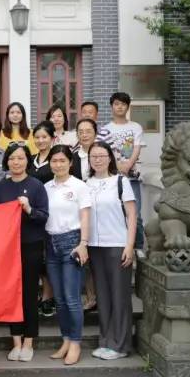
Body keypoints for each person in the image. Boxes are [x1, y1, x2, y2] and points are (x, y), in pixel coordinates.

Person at [0, 143, 48, 363]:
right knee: (11, 294)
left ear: (27, 161)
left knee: (28, 293)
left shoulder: (36, 185)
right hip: (8, 248)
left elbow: (44, 216)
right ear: (6, 161)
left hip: (31, 245)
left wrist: (29, 209)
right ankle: (15, 341)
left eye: (20, 158)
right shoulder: (2, 186)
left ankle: (28, 341)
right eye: (12, 158)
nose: (16, 162)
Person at [87, 142, 137, 360]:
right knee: (103, 296)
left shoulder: (120, 182)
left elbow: (132, 215)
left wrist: (130, 245)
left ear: (110, 158)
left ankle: (120, 345)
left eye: (101, 155)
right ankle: (106, 341)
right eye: (93, 156)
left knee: (119, 296)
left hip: (117, 244)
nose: (97, 160)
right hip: (94, 246)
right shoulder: (86, 184)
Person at [44, 145, 91, 366]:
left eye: (62, 160)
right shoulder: (46, 187)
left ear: (70, 163)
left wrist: (83, 243)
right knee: (60, 299)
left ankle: (75, 342)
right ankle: (65, 339)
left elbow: (85, 216)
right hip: (51, 244)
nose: (58, 164)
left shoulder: (79, 186)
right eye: (54, 161)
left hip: (72, 243)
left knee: (72, 299)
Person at [103, 92, 145, 251]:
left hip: (132, 178)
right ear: (111, 106)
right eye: (116, 104)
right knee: (117, 214)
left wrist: (128, 165)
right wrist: (118, 166)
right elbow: (106, 151)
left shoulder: (135, 127)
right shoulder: (106, 129)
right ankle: (121, 246)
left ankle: (138, 248)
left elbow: (137, 148)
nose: (119, 107)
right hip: (113, 178)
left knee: (136, 214)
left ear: (127, 107)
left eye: (123, 104)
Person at [71, 118, 100, 313]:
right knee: (86, 256)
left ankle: (103, 296)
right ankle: (90, 297)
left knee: (100, 255)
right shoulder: (73, 157)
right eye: (80, 131)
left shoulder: (102, 153)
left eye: (88, 131)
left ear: (95, 133)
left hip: (101, 209)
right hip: (80, 210)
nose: (84, 134)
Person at [29, 121, 57, 317]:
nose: (40, 140)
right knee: (38, 256)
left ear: (52, 138)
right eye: (37, 137)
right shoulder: (31, 160)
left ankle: (49, 296)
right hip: (33, 214)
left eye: (44, 137)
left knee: (49, 256)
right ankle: (44, 294)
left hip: (53, 212)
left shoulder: (57, 159)